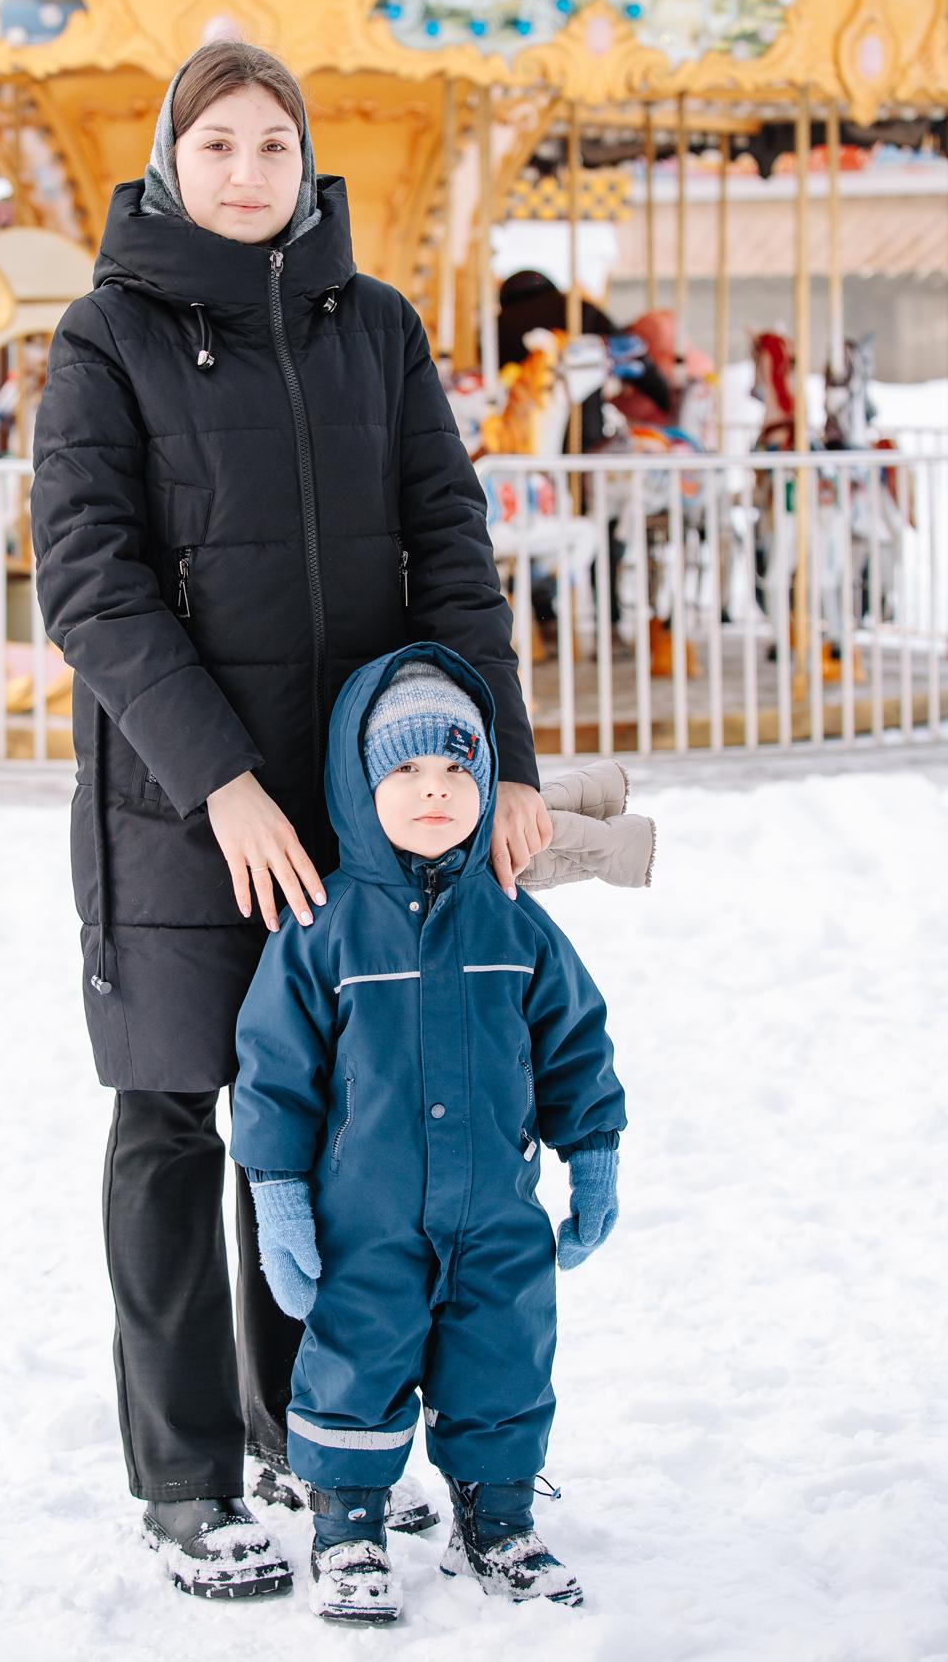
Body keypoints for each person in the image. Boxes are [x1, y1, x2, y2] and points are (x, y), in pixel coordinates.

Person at [30, 39, 553, 1599]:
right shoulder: (107, 338)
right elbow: (91, 581)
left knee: (325, 1121)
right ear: (170, 163)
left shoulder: (374, 329)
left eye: (272, 144)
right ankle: (186, 1476)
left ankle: (297, 1430)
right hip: (177, 804)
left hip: (350, 802)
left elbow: (450, 553)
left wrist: (508, 761)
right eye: (218, 146)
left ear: (304, 158)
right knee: (176, 1116)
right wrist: (221, 779)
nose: (248, 172)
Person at [230, 641, 626, 1623]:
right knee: (353, 1366)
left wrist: (593, 1155)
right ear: (359, 784)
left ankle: (497, 1521)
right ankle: (347, 1529)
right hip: (366, 1221)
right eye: (404, 767)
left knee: (504, 1357)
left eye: (456, 764)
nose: (434, 788)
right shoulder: (321, 928)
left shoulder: (513, 922)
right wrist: (278, 1197)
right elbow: (273, 1075)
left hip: (496, 1213)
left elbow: (574, 1041)